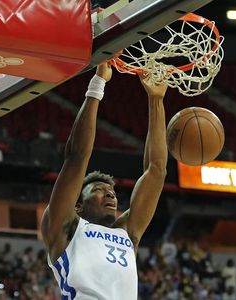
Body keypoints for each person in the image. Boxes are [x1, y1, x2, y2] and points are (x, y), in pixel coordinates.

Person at [40, 62, 168, 299]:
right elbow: (76, 157)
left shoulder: (126, 232)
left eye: (111, 191)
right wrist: (98, 84)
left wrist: (156, 99)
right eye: (99, 189)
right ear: (78, 204)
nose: (110, 194)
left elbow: (156, 170)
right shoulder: (66, 227)